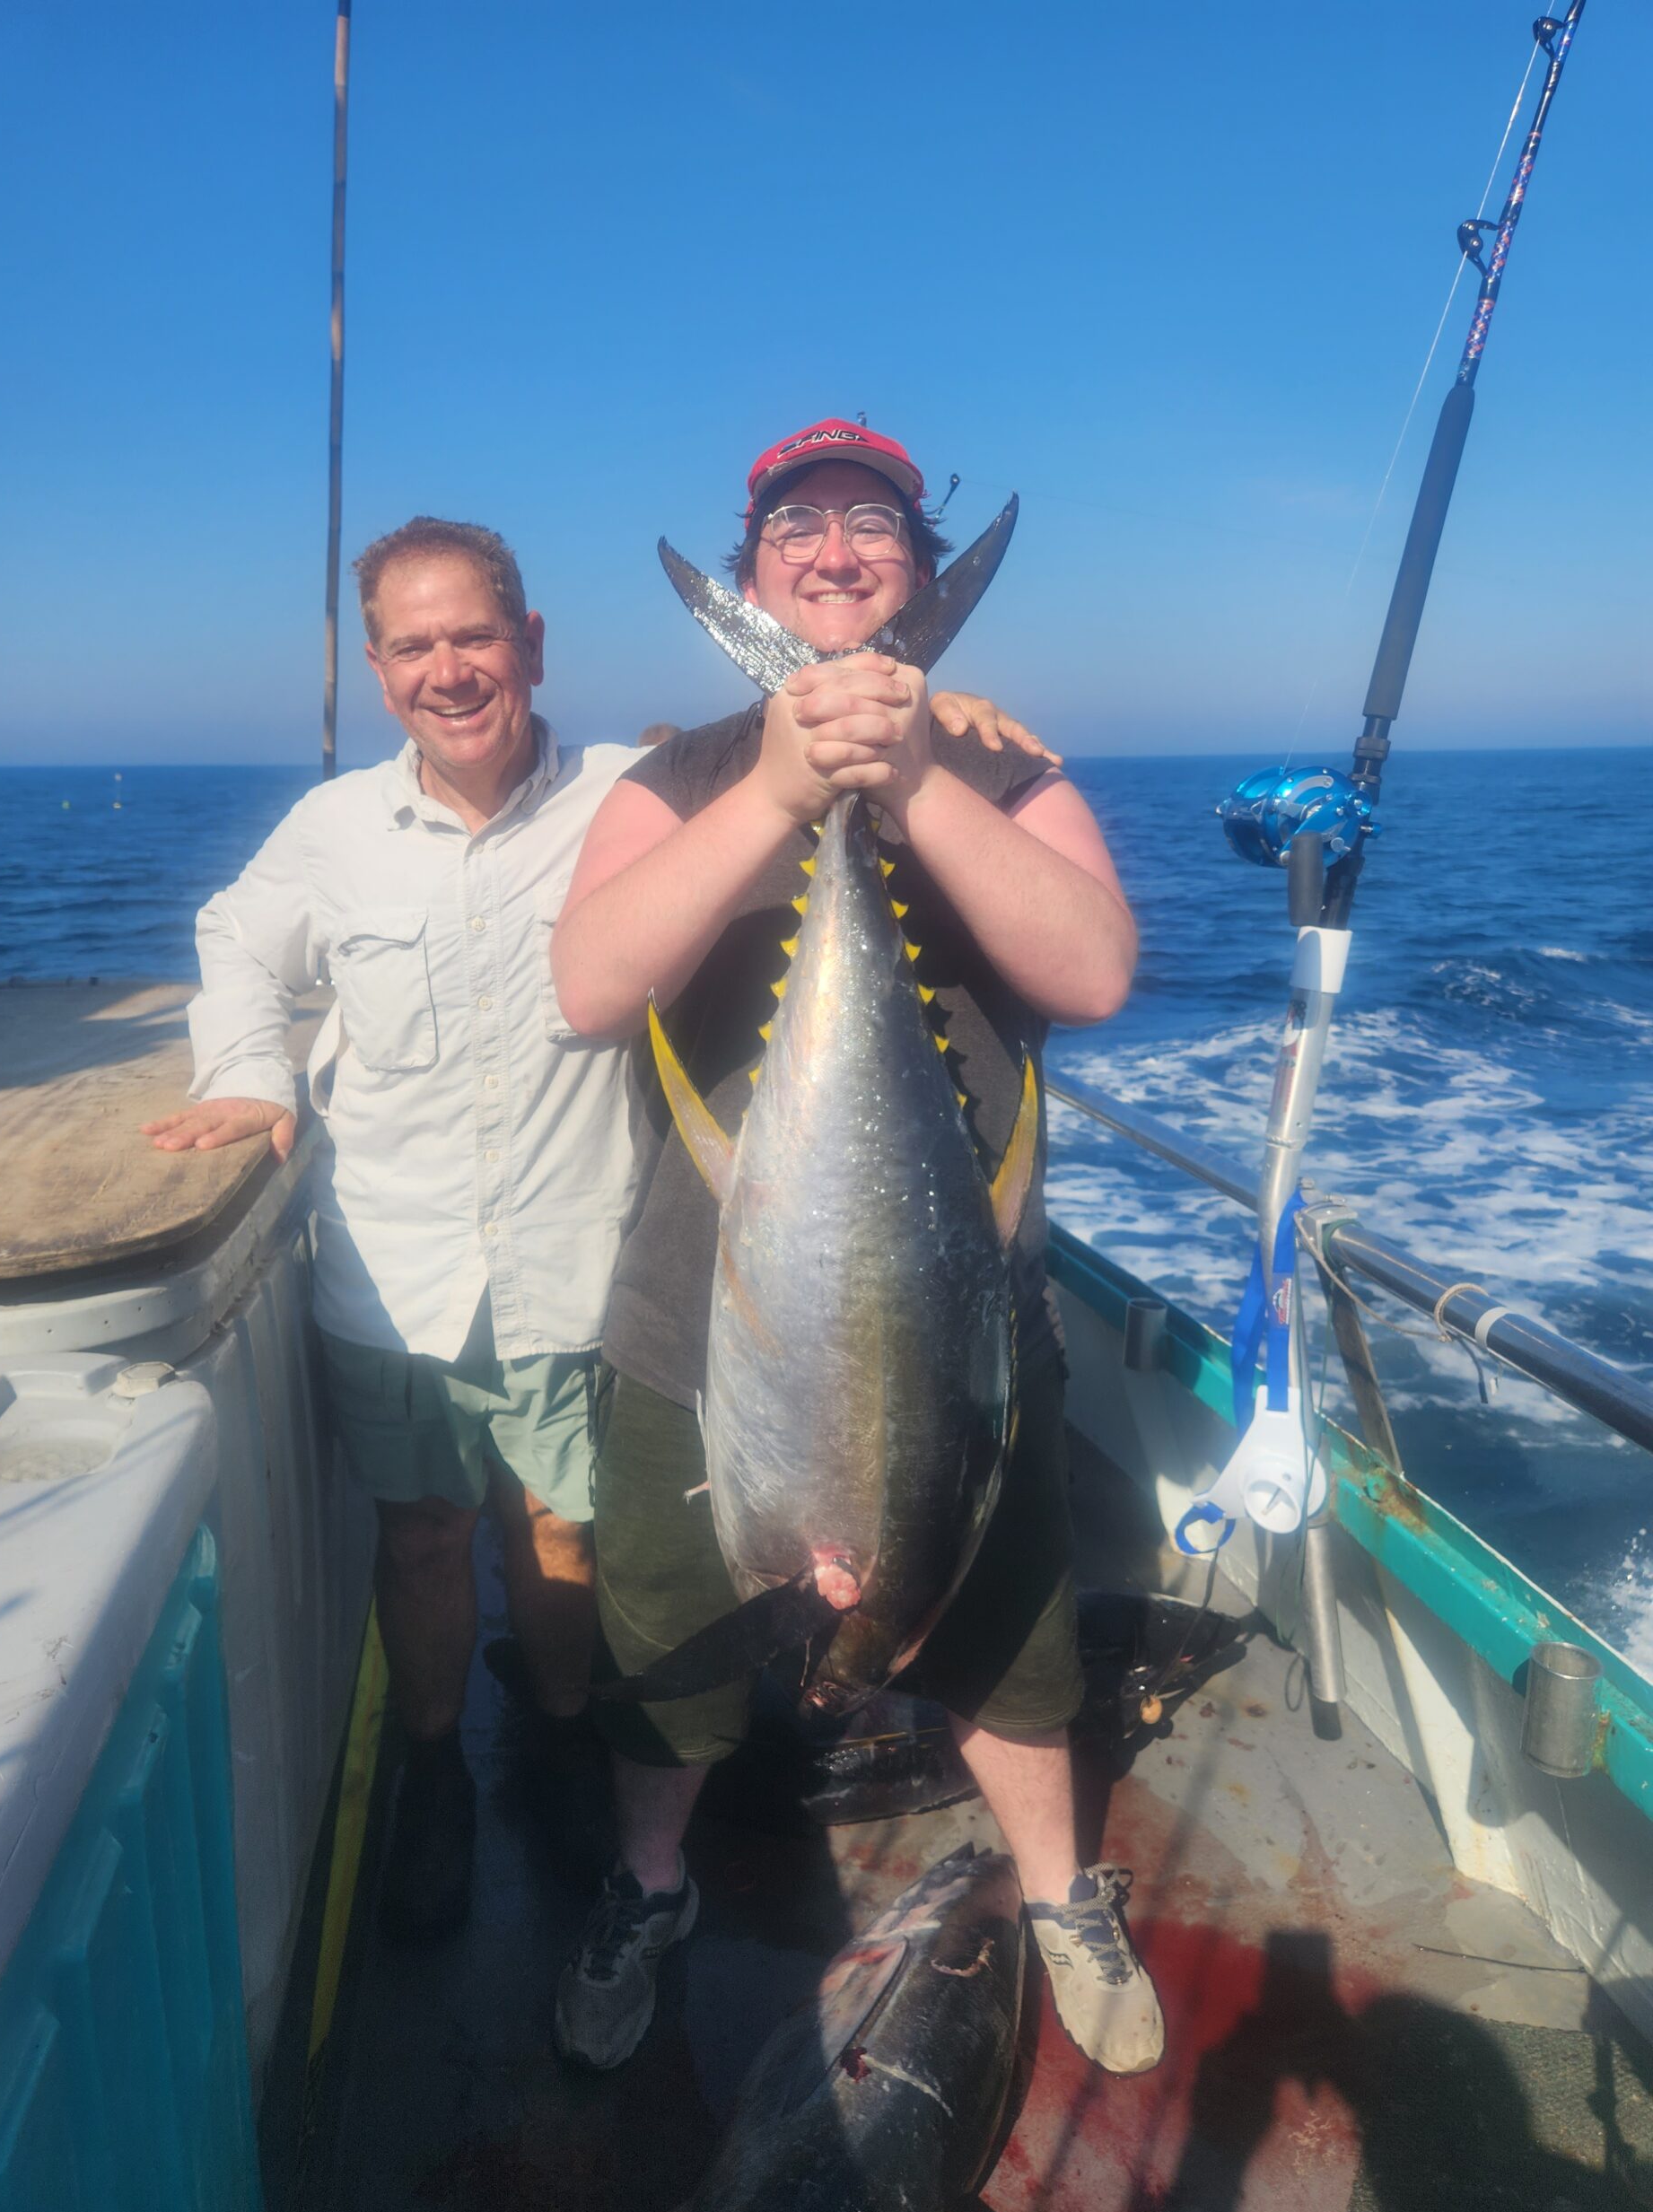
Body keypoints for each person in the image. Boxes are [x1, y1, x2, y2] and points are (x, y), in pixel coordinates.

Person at [146, 511, 1047, 1945]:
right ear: (378, 669)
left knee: (565, 1535)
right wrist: (251, 1075)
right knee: (428, 1537)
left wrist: (936, 712)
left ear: (531, 643)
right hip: (397, 1268)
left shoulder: (641, 785)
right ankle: (438, 1770)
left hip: (579, 1261)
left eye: (476, 636)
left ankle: (564, 1744)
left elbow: (798, 744)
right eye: (414, 644)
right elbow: (237, 950)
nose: (450, 670)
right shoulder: (328, 835)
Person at [551, 418, 1164, 2076]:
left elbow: (1097, 972)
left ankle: (1058, 1894)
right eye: (798, 531)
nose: (835, 555)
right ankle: (647, 1884)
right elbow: (591, 988)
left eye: (873, 528)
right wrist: (775, 783)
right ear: (752, 574)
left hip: (960, 1327)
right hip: (705, 1323)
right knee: (669, 1668)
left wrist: (909, 780)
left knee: (1013, 1645)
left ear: (913, 561)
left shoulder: (1009, 768)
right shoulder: (670, 778)